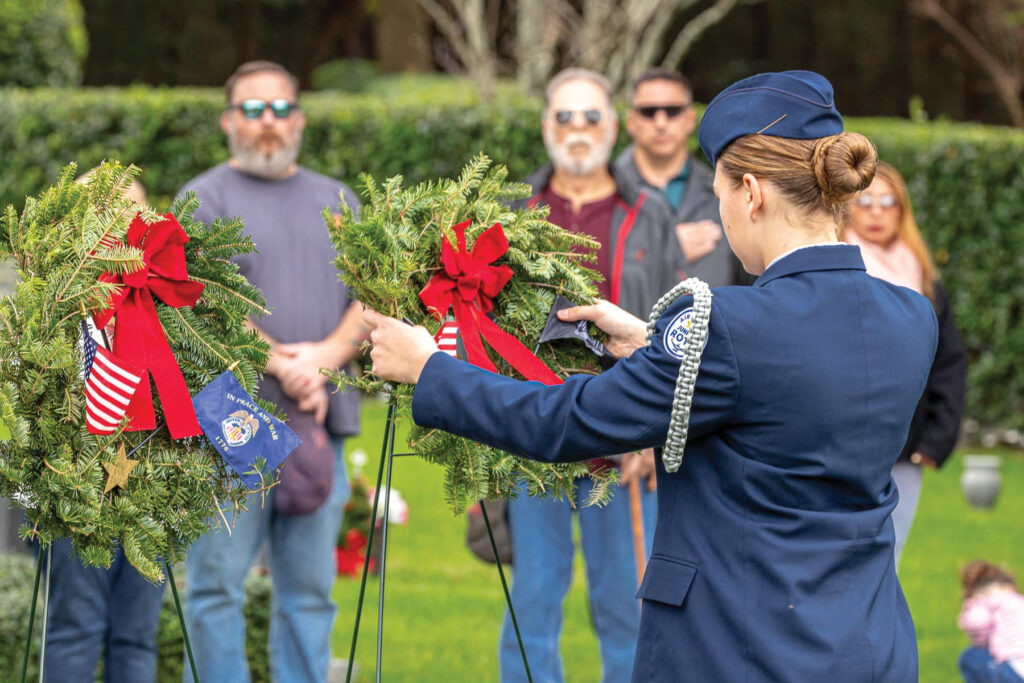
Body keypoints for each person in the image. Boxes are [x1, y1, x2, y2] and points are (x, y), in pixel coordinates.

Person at [362, 70, 934, 681]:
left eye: (718, 193)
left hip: (738, 647)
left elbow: (569, 422)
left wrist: (430, 370)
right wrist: (653, 343)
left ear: (750, 193)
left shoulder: (725, 326)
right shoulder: (909, 315)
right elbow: (782, 395)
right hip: (867, 643)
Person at [178, 60, 364, 683]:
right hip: (230, 424)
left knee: (310, 593)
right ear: (229, 120)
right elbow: (201, 299)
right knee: (215, 588)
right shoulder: (202, 200)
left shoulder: (339, 201)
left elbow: (372, 297)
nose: (268, 123)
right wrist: (284, 364)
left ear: (300, 119)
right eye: (253, 110)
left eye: (280, 109)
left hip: (318, 425)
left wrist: (324, 359)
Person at [496, 67, 677, 683]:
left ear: (614, 126)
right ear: (547, 127)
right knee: (533, 603)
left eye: (591, 117)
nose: (578, 131)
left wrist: (653, 430)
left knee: (627, 606)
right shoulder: (512, 212)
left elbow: (674, 328)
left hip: (623, 439)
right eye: (565, 118)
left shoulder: (649, 215)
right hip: (532, 436)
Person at [40, 175, 166, 683]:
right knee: (75, 624)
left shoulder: (161, 300)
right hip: (75, 483)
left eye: (128, 213)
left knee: (138, 632)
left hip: (152, 482)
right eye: (101, 213)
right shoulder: (53, 301)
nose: (114, 228)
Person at [843, 161, 967, 566]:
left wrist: (935, 442)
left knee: (887, 558)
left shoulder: (923, 278)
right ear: (846, 207)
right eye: (865, 201)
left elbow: (948, 362)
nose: (876, 211)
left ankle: (879, 632)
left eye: (887, 202)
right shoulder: (835, 270)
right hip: (843, 442)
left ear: (902, 210)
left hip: (905, 449)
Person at [614, 67, 746, 287]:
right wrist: (669, 248)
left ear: (690, 119)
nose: (661, 123)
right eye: (649, 112)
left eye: (672, 111)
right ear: (631, 121)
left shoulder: (726, 191)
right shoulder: (605, 192)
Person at [957, 560, 1024, 682]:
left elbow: (977, 623)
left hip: (1013, 667)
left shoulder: (985, 601)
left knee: (969, 657)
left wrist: (983, 642)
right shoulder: (1019, 600)